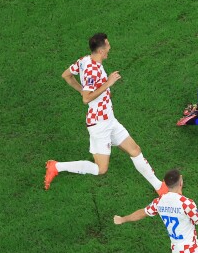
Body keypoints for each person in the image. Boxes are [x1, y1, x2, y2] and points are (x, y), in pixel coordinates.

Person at [45, 33, 167, 195]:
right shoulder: (92, 70)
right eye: (108, 46)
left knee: (135, 150)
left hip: (109, 119)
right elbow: (86, 99)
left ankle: (159, 187)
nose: (110, 48)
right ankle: (56, 166)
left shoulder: (84, 60)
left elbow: (66, 75)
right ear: (101, 51)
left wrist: (82, 90)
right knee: (101, 169)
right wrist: (107, 83)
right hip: (99, 124)